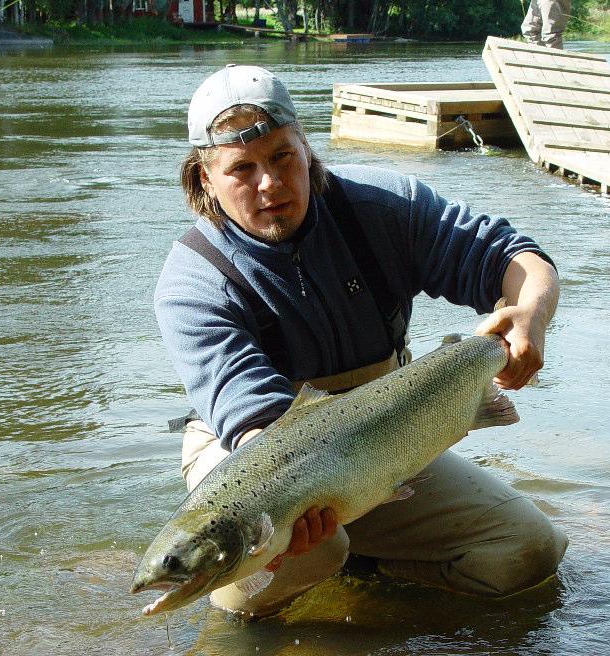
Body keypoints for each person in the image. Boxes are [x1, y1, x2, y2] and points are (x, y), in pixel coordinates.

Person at [154, 64, 568, 618]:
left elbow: (513, 259)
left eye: (282, 157)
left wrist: (530, 317)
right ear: (205, 179)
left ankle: (370, 575)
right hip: (252, 453)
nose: (270, 184)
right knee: (300, 550)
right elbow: (259, 425)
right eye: (242, 169)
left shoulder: (383, 207)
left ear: (307, 148)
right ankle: (293, 581)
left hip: (387, 430)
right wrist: (291, 504)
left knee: (529, 552)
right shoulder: (192, 283)